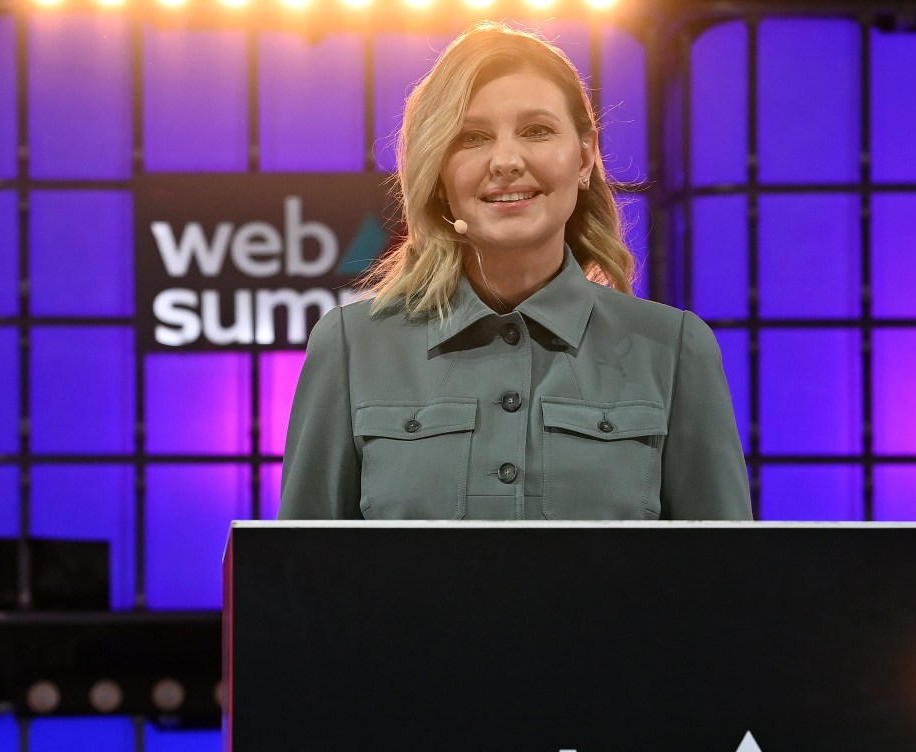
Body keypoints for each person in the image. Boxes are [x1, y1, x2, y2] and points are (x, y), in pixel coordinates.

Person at [277, 22, 751, 521]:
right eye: (472, 137)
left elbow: (726, 566)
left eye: (537, 131)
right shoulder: (350, 346)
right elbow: (298, 564)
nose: (506, 161)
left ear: (585, 156)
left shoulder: (675, 349)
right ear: (438, 172)